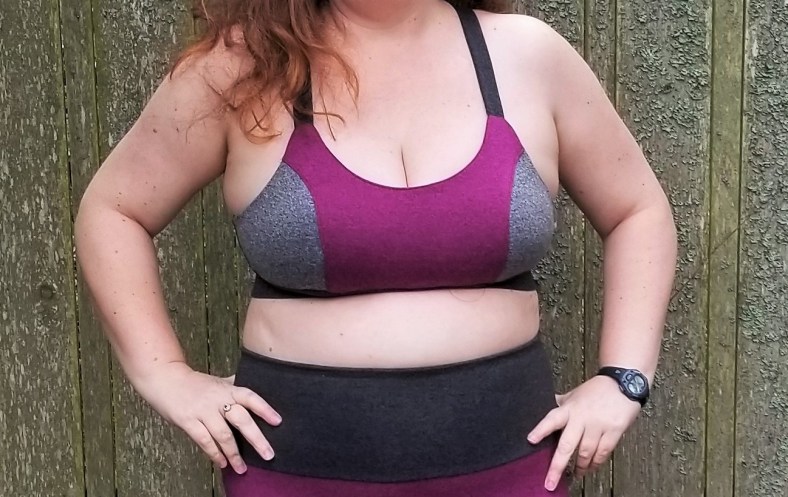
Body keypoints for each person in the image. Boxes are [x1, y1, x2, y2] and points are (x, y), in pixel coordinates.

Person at [74, 0, 677, 495]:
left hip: (510, 467)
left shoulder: (528, 56)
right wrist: (163, 374)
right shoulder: (242, 68)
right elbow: (115, 211)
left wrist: (623, 377)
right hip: (296, 472)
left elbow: (637, 210)